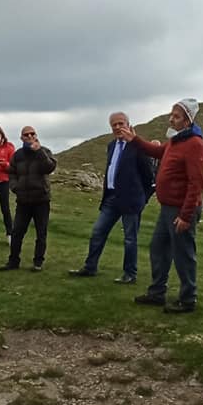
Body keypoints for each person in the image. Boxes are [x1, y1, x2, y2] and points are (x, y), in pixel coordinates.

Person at [122, 98, 203, 313]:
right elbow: (157, 151)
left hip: (181, 209)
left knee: (184, 254)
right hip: (168, 207)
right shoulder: (176, 141)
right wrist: (135, 140)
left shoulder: (194, 144)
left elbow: (196, 183)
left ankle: (188, 299)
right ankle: (157, 292)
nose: (171, 119)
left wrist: (186, 216)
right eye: (171, 114)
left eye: (176, 116)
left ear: (187, 120)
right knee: (158, 248)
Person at [69, 112, 154, 283]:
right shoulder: (111, 146)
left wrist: (143, 198)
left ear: (128, 125)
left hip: (131, 201)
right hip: (111, 199)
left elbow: (148, 175)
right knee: (98, 232)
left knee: (130, 239)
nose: (117, 127)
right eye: (114, 125)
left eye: (120, 123)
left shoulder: (138, 146)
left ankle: (130, 274)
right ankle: (90, 267)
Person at [0, 126, 56, 272]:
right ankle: (13, 262)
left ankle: (38, 263)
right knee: (17, 232)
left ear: (36, 136)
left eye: (32, 134)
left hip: (41, 200)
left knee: (41, 233)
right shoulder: (17, 155)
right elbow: (11, 173)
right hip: (23, 201)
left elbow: (49, 167)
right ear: (21, 138)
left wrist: (39, 151)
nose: (29, 136)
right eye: (26, 134)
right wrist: (15, 187)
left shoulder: (44, 152)